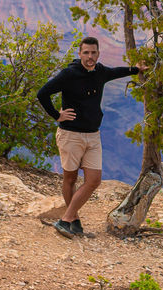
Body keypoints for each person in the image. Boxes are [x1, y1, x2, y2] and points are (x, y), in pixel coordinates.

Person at [36, 36, 142, 237]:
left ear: (98, 53)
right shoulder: (69, 74)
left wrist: (135, 70)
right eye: (86, 52)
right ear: (80, 54)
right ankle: (73, 221)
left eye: (93, 52)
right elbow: (43, 93)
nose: (90, 56)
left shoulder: (100, 72)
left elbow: (115, 72)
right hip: (70, 135)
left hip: (93, 136)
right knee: (70, 178)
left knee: (93, 180)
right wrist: (57, 115)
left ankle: (66, 219)